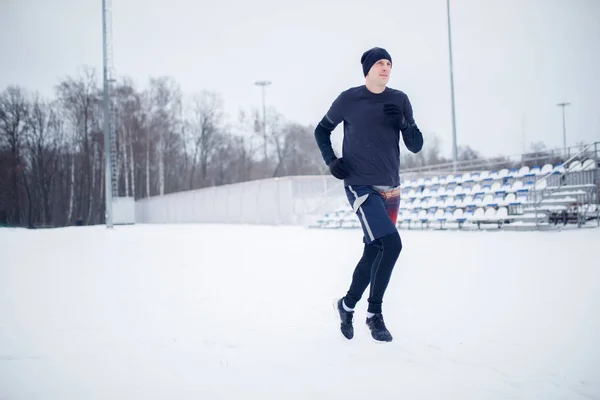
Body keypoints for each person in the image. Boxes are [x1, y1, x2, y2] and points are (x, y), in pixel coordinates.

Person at [313, 47, 424, 342]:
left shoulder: (399, 100)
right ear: (367, 70)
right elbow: (321, 130)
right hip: (360, 186)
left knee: (375, 249)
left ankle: (347, 305)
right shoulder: (349, 99)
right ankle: (374, 314)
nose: (386, 67)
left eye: (389, 63)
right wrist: (331, 160)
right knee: (392, 244)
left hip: (391, 189)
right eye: (380, 63)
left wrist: (405, 122)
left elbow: (415, 145)